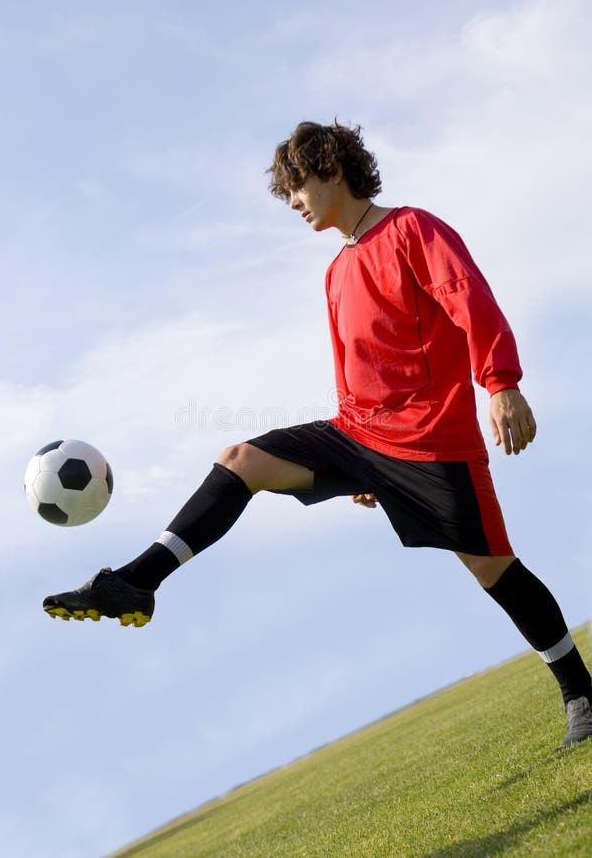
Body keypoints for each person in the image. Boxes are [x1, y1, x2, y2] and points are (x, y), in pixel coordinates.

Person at [44, 120, 592, 749]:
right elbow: (353, 370)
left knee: (492, 566)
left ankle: (581, 694)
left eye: (297, 187)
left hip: (429, 441)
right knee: (242, 459)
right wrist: (359, 467)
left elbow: (470, 298)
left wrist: (500, 383)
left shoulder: (414, 229)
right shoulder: (334, 273)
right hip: (357, 433)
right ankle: (136, 582)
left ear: (332, 169)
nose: (295, 203)